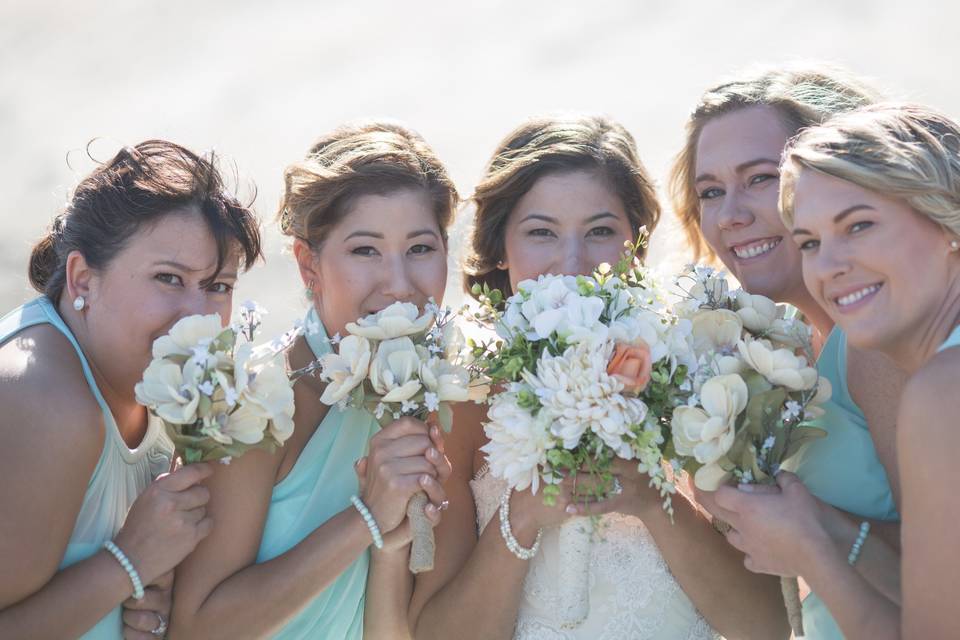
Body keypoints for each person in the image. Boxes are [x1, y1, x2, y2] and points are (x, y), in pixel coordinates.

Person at [408, 114, 785, 640]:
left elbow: (766, 626)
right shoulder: (463, 396)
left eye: (600, 231)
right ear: (499, 246)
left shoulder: (694, 373)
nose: (571, 261)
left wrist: (655, 500)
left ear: (635, 243)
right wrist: (521, 518)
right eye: (541, 232)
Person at [170, 121, 455, 639]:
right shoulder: (255, 401)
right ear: (308, 266)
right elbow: (197, 629)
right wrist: (366, 519)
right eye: (365, 250)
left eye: (419, 248)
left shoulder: (432, 392)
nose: (398, 283)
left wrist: (390, 547)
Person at [668, 65, 906, 638]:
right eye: (711, 192)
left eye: (760, 179)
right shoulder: (787, 347)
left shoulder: (874, 348)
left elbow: (940, 572)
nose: (731, 216)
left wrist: (810, 528)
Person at [0, 140, 263, 639]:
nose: (198, 315)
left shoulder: (153, 375)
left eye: (218, 285)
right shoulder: (45, 401)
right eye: (169, 278)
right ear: (81, 279)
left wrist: (146, 598)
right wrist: (127, 564)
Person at [722, 102, 960, 640]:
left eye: (858, 226)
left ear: (947, 216)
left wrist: (808, 549)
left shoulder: (943, 390)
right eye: (809, 242)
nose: (828, 267)